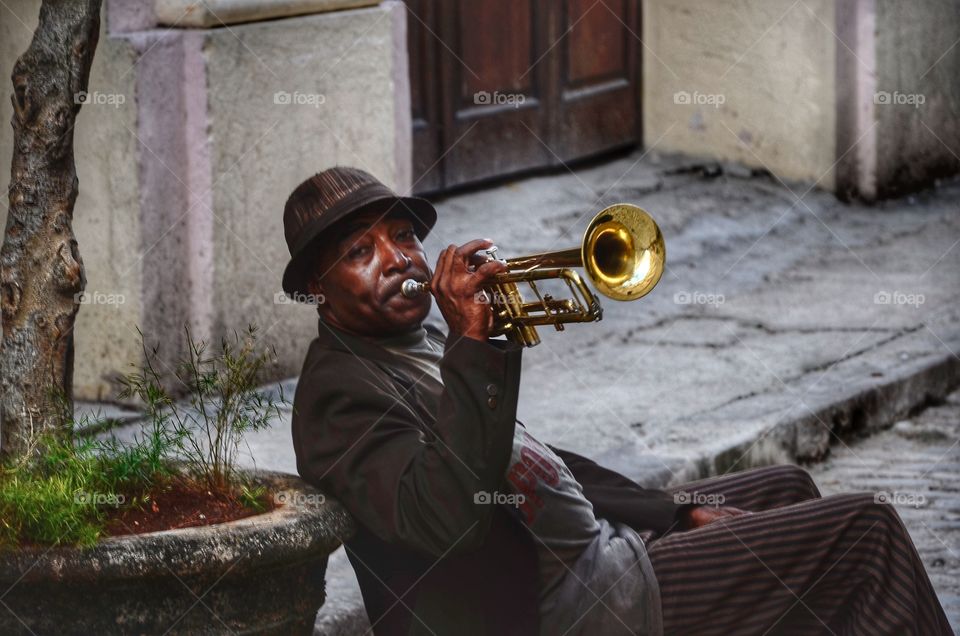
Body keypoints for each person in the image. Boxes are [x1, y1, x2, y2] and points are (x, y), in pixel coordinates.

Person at [283, 167, 952, 636]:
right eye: (359, 251)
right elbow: (448, 518)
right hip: (554, 606)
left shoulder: (415, 341)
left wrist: (672, 510)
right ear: (317, 288)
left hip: (589, 555)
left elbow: (531, 460)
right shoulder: (337, 397)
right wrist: (472, 352)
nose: (399, 258)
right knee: (866, 532)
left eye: (403, 235)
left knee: (787, 486)